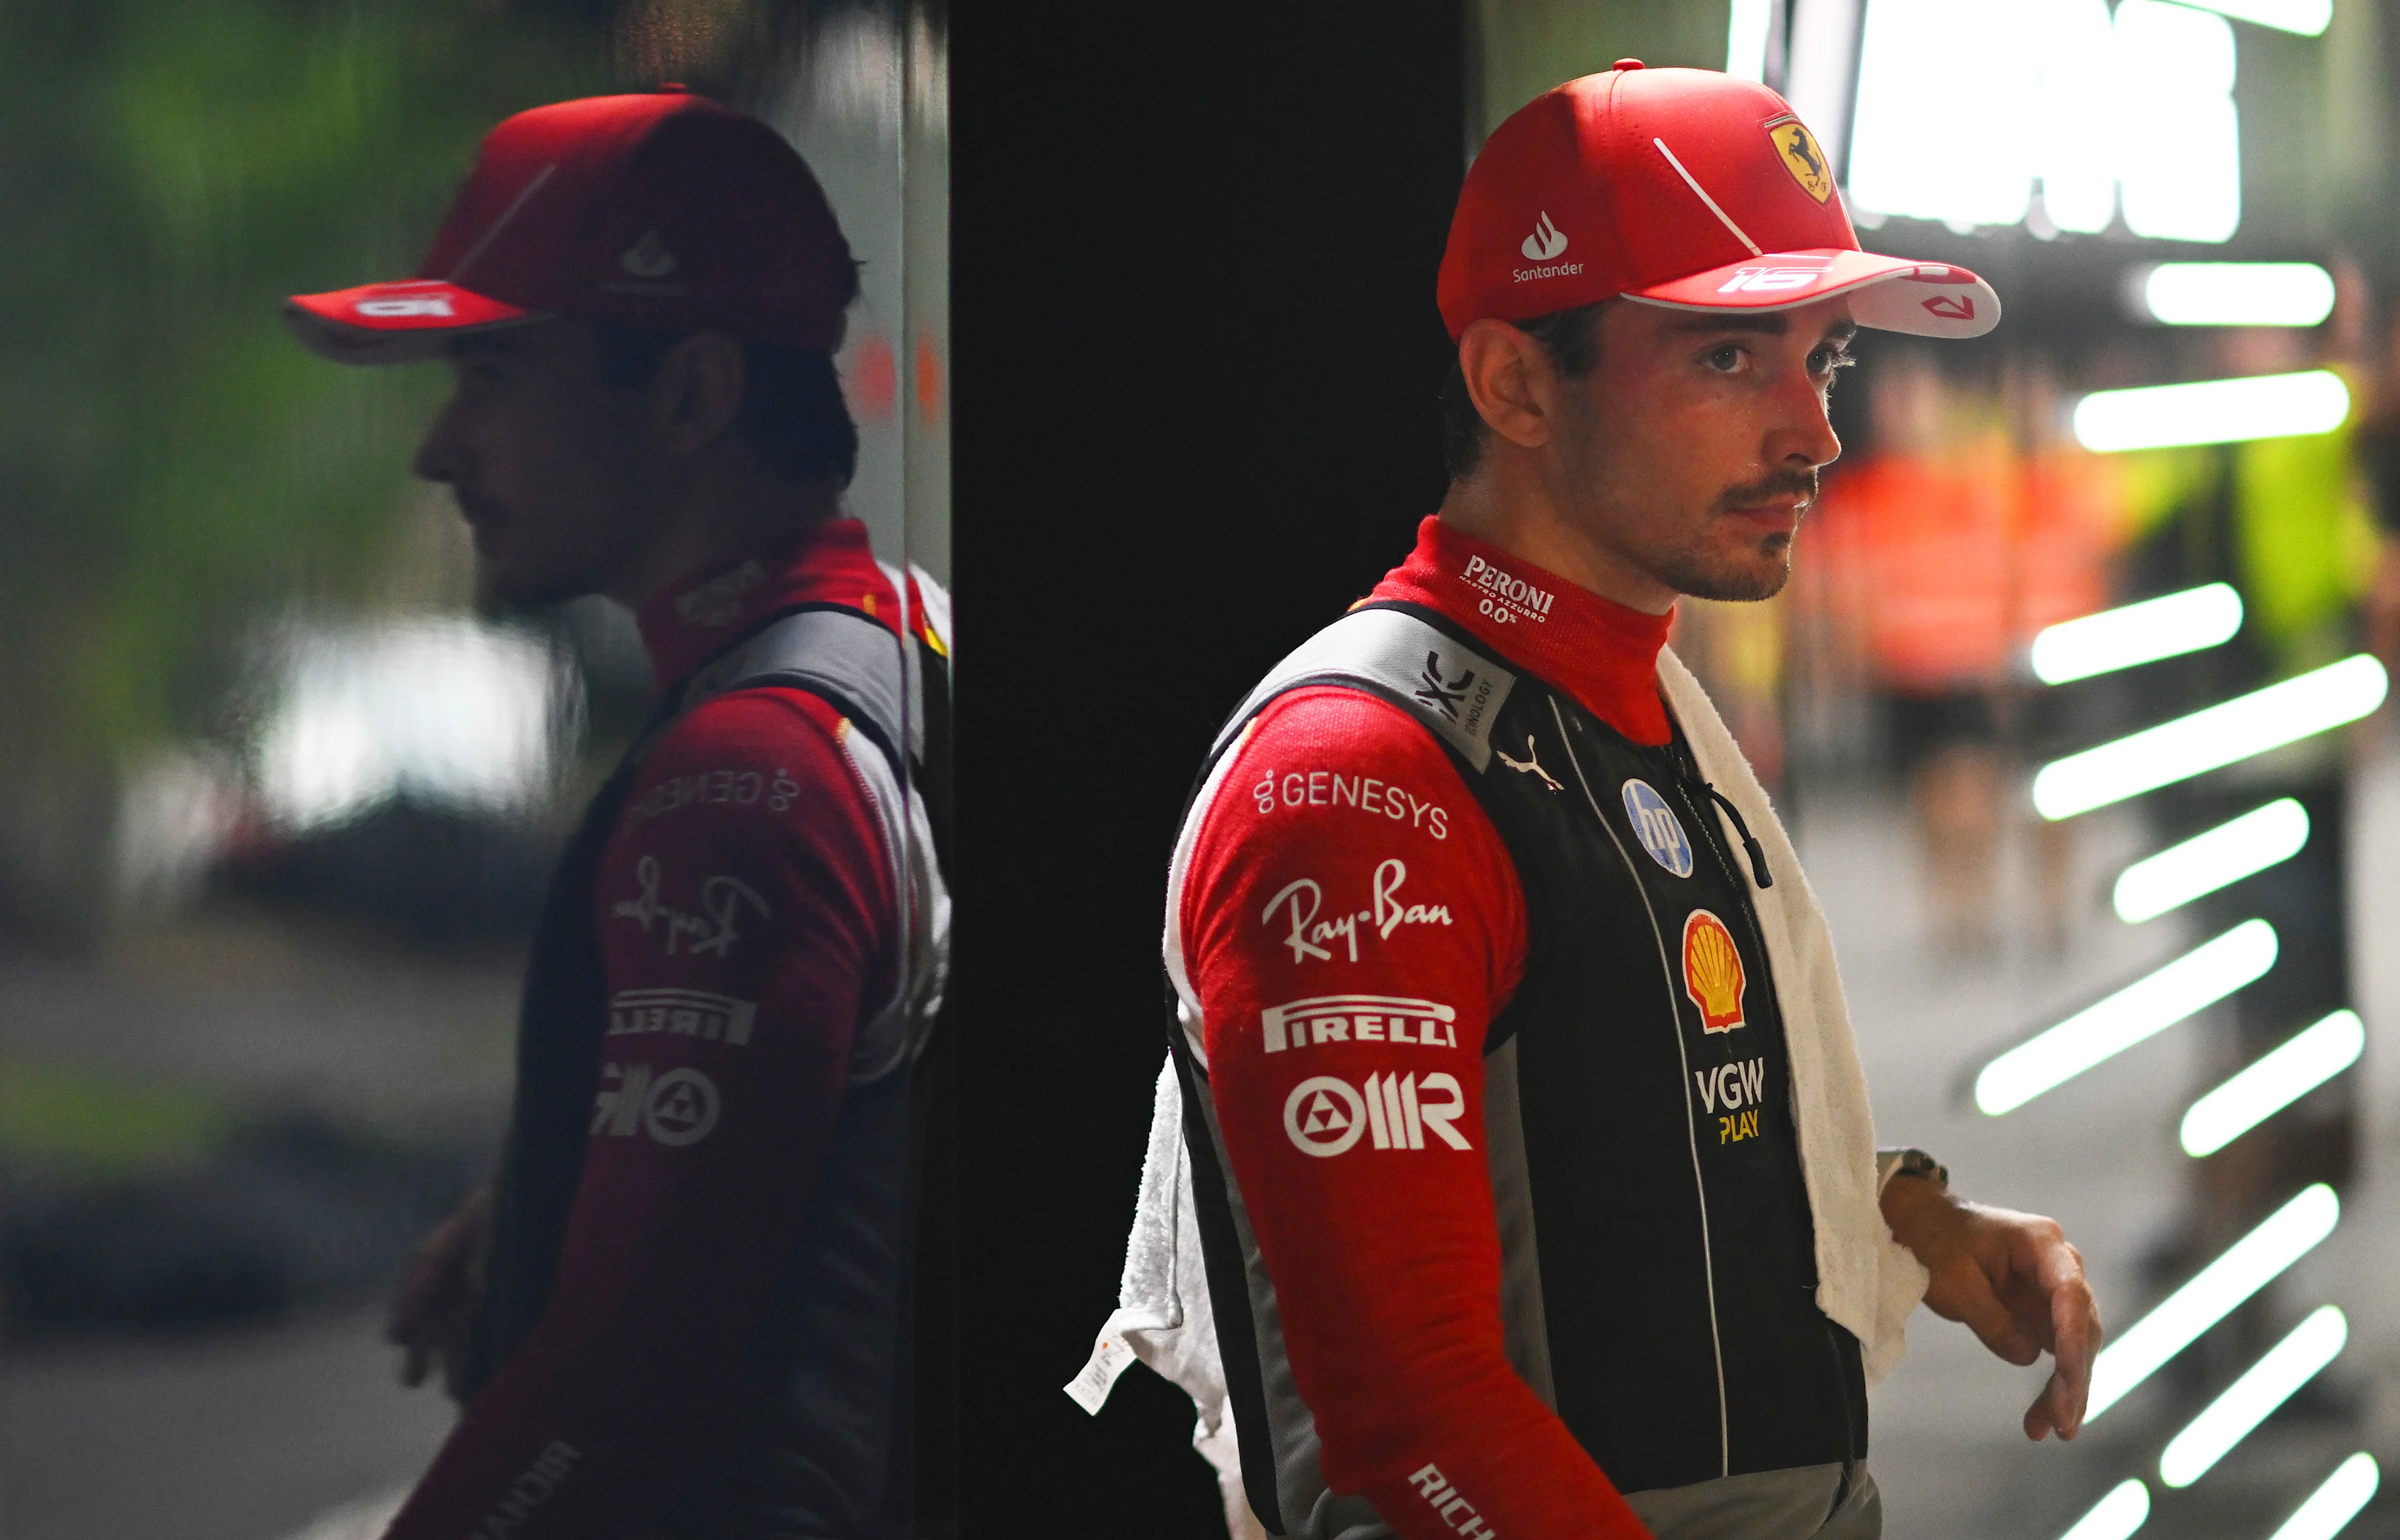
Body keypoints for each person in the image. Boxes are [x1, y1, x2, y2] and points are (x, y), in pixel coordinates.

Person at [1084, 66, 2096, 1540]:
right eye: (1730, 361)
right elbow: (1406, 1414)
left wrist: (1901, 1220)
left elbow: (1605, 1116)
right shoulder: (1359, 784)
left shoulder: (1626, 694)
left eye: (1823, 362)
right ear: (1512, 385)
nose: (1815, 435)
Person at [282, 89, 950, 1539]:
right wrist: (560, 1198)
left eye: (497, 374)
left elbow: (625, 1390)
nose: (440, 449)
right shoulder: (896, 644)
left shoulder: (748, 778)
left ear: (695, 394)